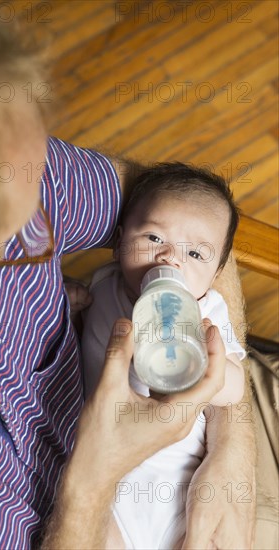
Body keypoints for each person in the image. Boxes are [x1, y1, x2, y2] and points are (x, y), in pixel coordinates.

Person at [0, 2, 255, 549]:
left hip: (181, 490)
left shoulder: (8, 163)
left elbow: (185, 210)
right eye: (19, 239)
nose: (44, 227)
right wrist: (90, 488)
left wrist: (234, 446)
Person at [82, 163, 246, 548]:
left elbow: (235, 386)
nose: (171, 258)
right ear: (120, 241)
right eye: (154, 237)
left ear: (217, 270)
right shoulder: (103, 283)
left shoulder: (209, 313)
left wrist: (208, 367)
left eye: (195, 253)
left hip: (177, 487)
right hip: (107, 477)